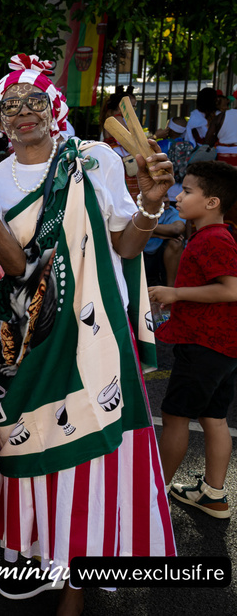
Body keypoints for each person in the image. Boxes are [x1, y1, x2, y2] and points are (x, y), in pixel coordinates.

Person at [0, 54, 175, 615]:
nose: (25, 112)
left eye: (36, 101)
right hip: (25, 333)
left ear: (55, 109)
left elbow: (126, 247)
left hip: (95, 326)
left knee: (87, 450)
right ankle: (38, 552)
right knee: (28, 437)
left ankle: (78, 580)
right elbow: (12, 266)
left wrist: (152, 203)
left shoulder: (93, 159)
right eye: (12, 105)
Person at [150, 161, 237, 519]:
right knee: (213, 417)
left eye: (186, 191)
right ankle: (213, 495)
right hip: (222, 346)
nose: (178, 196)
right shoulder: (210, 233)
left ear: (212, 202)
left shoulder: (215, 238)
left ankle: (155, 493)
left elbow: (231, 290)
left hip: (205, 344)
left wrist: (176, 293)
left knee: (174, 416)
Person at [143, 198, 185, 287]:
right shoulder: (137, 211)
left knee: (176, 243)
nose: (166, 200)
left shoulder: (171, 212)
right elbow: (127, 231)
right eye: (161, 197)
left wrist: (143, 228)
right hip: (141, 255)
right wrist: (159, 235)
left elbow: (177, 229)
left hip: (160, 256)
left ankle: (171, 288)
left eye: (166, 195)